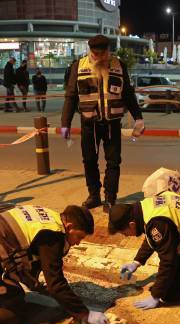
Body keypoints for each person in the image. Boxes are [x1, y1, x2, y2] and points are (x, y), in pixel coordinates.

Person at [61, 35, 144, 212]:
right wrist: (65, 123)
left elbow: (128, 93)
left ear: (108, 51)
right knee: (89, 160)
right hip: (88, 124)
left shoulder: (119, 65)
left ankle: (110, 199)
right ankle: (94, 195)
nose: (99, 58)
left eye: (102, 54)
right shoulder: (78, 66)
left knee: (113, 162)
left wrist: (139, 117)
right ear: (91, 52)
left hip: (112, 123)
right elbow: (70, 96)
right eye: (95, 54)